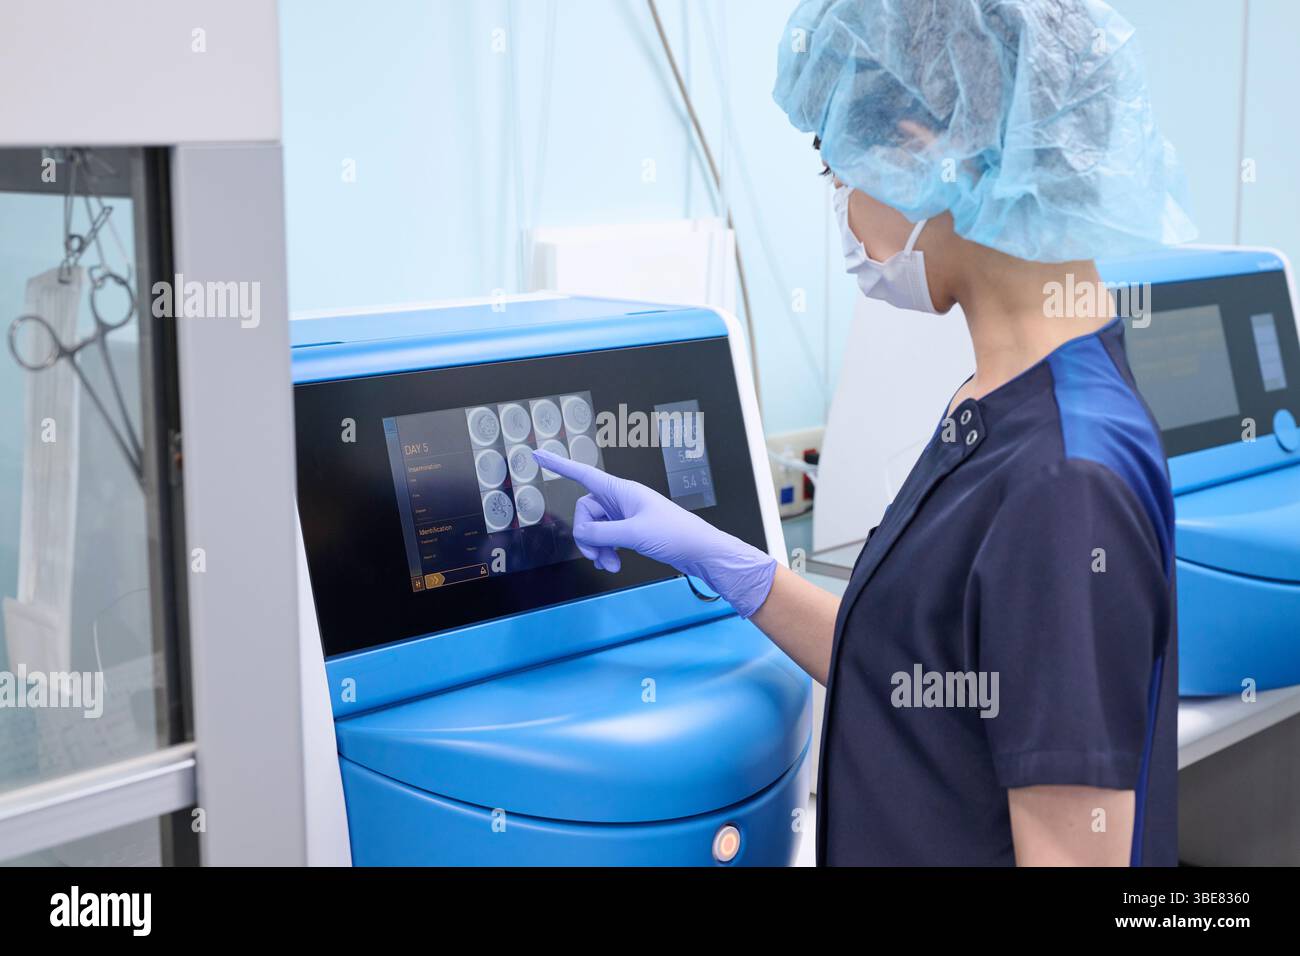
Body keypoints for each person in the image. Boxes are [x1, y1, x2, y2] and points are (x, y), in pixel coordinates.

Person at [534, 0, 1196, 866]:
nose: (841, 207)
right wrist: (734, 567)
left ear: (928, 149)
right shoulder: (1024, 393)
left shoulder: (1061, 480)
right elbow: (928, 672)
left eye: (837, 169)